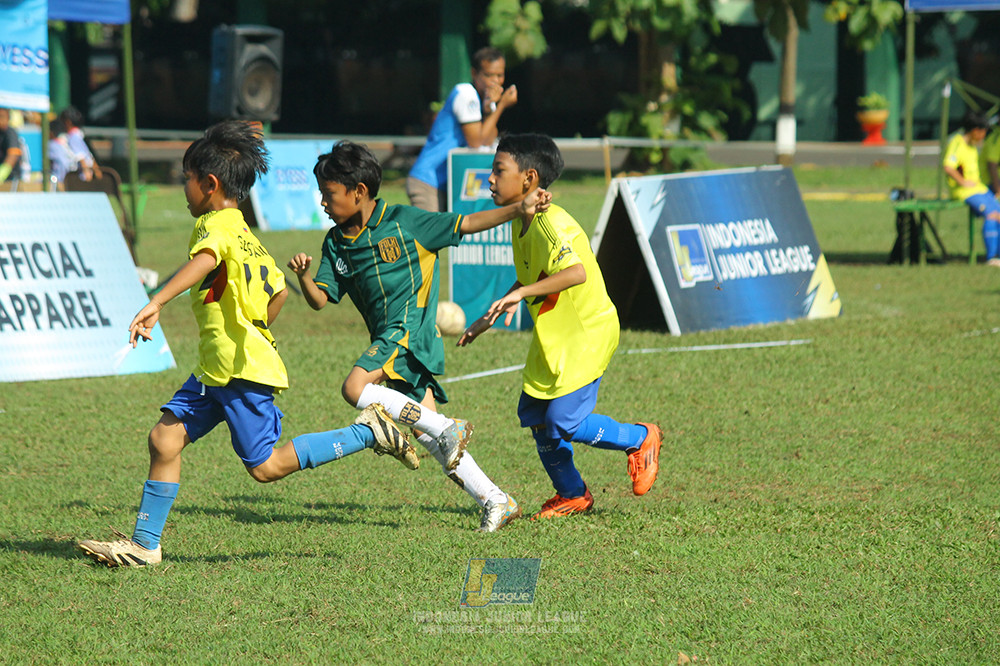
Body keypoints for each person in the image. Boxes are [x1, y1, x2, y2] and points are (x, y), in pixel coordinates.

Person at [77, 122, 418, 568]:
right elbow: (277, 293)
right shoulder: (248, 236)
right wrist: (251, 324)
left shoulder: (213, 226)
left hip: (239, 370)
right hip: (217, 366)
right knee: (164, 439)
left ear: (210, 184)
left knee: (265, 468)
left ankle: (366, 431)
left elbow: (205, 259)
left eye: (186, 178)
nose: (184, 187)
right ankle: (145, 545)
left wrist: (157, 300)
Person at [287, 140, 551, 532]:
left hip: (408, 332)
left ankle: (447, 430)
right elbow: (320, 300)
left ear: (358, 192)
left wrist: (519, 208)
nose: (323, 202)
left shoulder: (405, 222)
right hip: (389, 339)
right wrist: (304, 277)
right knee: (430, 434)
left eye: (329, 194)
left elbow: (467, 224)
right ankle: (497, 499)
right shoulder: (336, 241)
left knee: (354, 388)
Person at [458, 133, 663, 520]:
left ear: (529, 178)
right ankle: (572, 494)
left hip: (587, 332)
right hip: (556, 336)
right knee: (537, 416)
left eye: (499, 171)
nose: (489, 179)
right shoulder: (523, 222)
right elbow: (530, 277)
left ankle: (640, 439)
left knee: (563, 421)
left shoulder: (551, 223)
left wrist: (522, 295)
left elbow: (576, 272)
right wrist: (487, 318)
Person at [406, 46, 517, 212]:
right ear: (474, 73)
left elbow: (487, 139)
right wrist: (501, 106)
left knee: (446, 237)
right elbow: (476, 142)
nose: (495, 81)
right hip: (428, 182)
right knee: (428, 237)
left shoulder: (480, 100)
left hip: (444, 185)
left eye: (499, 75)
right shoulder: (466, 93)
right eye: (488, 75)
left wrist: (490, 110)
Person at [943, 111, 1000, 267]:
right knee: (991, 214)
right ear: (975, 130)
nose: (983, 136)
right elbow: (948, 167)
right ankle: (992, 257)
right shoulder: (957, 142)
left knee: (999, 212)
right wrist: (962, 182)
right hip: (965, 192)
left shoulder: (973, 146)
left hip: (979, 189)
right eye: (983, 132)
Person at [58, 106, 101, 181]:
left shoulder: (73, 137)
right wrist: (97, 172)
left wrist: (87, 173)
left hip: (81, 177)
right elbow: (90, 156)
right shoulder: (79, 135)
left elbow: (81, 156)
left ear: (68, 122)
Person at [47, 117, 92, 186]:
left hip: (60, 180)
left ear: (51, 133)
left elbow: (80, 157)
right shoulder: (66, 141)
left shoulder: (52, 145)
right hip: (74, 180)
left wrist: (86, 172)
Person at [0, 107, 23, 189]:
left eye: (2, 116)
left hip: (10, 182)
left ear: (8, 119)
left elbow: (12, 156)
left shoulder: (10, 133)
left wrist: (2, 174)